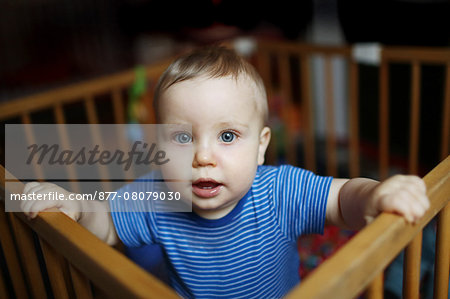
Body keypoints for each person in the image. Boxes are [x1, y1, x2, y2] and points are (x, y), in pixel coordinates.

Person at [21, 46, 429, 298]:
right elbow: (107, 224)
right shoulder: (159, 194)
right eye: (181, 138)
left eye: (228, 135)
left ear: (262, 147)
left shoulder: (278, 191)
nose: (203, 156)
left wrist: (376, 195)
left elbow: (342, 198)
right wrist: (75, 206)